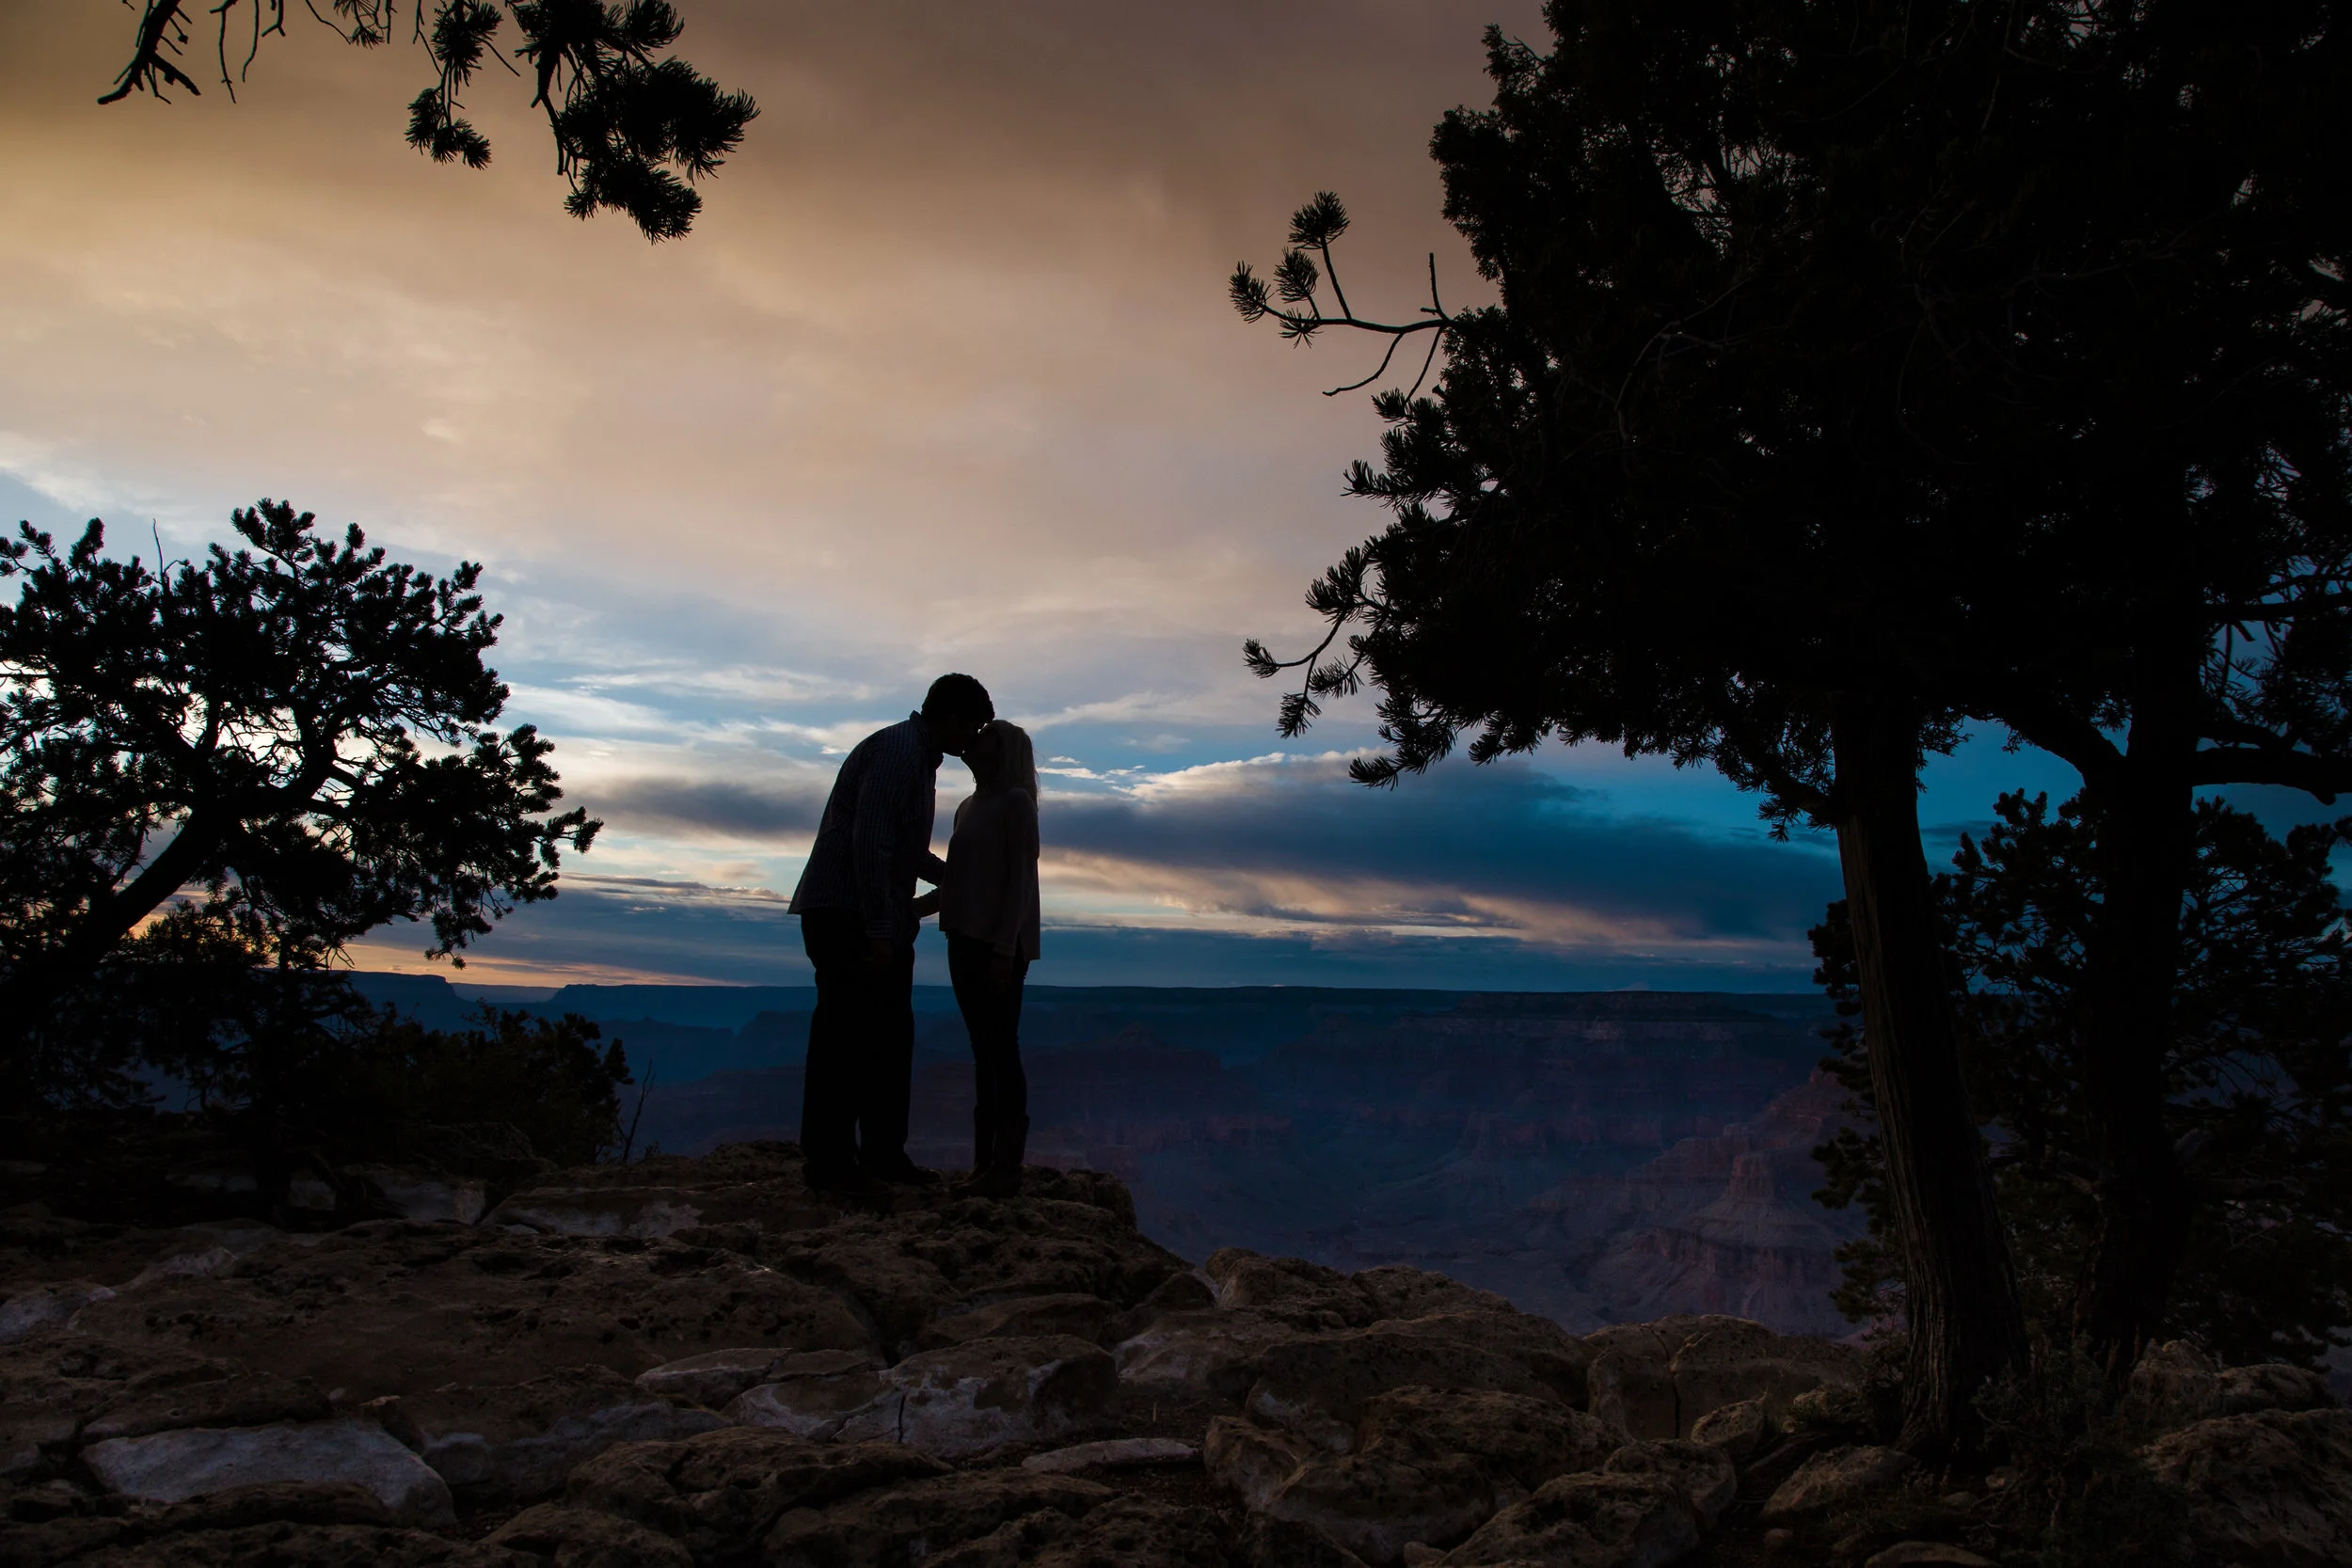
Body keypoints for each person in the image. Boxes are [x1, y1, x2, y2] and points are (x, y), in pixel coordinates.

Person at [788, 673, 993, 1194]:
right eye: (973, 724)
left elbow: (898, 850)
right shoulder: (900, 753)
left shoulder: (918, 760)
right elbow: (872, 845)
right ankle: (832, 1164)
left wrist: (953, 875)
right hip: (846, 915)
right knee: (845, 1038)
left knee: (886, 1038)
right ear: (949, 716)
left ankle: (881, 1155)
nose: (973, 737)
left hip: (867, 915)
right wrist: (882, 933)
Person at [920, 718, 1041, 1196]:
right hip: (962, 940)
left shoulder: (1016, 804)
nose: (976, 738)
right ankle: (981, 1165)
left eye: (987, 733)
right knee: (982, 1053)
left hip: (997, 948)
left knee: (1001, 1050)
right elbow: (960, 878)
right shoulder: (968, 807)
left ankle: (1005, 1168)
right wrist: (918, 911)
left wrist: (1004, 950)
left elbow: (1019, 884)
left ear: (1003, 749)